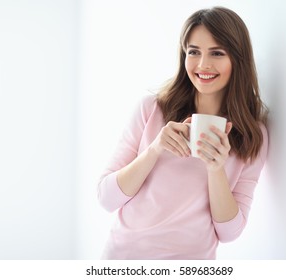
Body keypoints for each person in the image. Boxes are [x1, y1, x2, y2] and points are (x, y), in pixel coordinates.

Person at [97, 6, 268, 259]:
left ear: (237, 59)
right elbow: (106, 198)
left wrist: (216, 168)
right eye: (194, 52)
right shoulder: (152, 109)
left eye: (217, 53)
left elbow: (230, 232)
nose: (203, 64)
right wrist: (155, 149)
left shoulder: (252, 135)